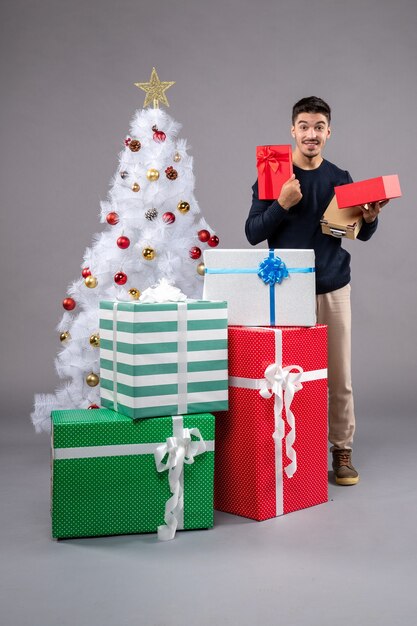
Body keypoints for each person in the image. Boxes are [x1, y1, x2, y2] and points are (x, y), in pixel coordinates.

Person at [245, 96, 388, 485]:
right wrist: (281, 203)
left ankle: (341, 450)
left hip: (332, 286)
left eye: (319, 127)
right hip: (286, 289)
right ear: (293, 130)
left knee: (339, 376)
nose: (311, 134)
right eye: (304, 126)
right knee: (289, 377)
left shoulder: (340, 177)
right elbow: (254, 232)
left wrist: (369, 219)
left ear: (329, 132)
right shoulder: (274, 172)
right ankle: (297, 451)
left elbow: (350, 233)